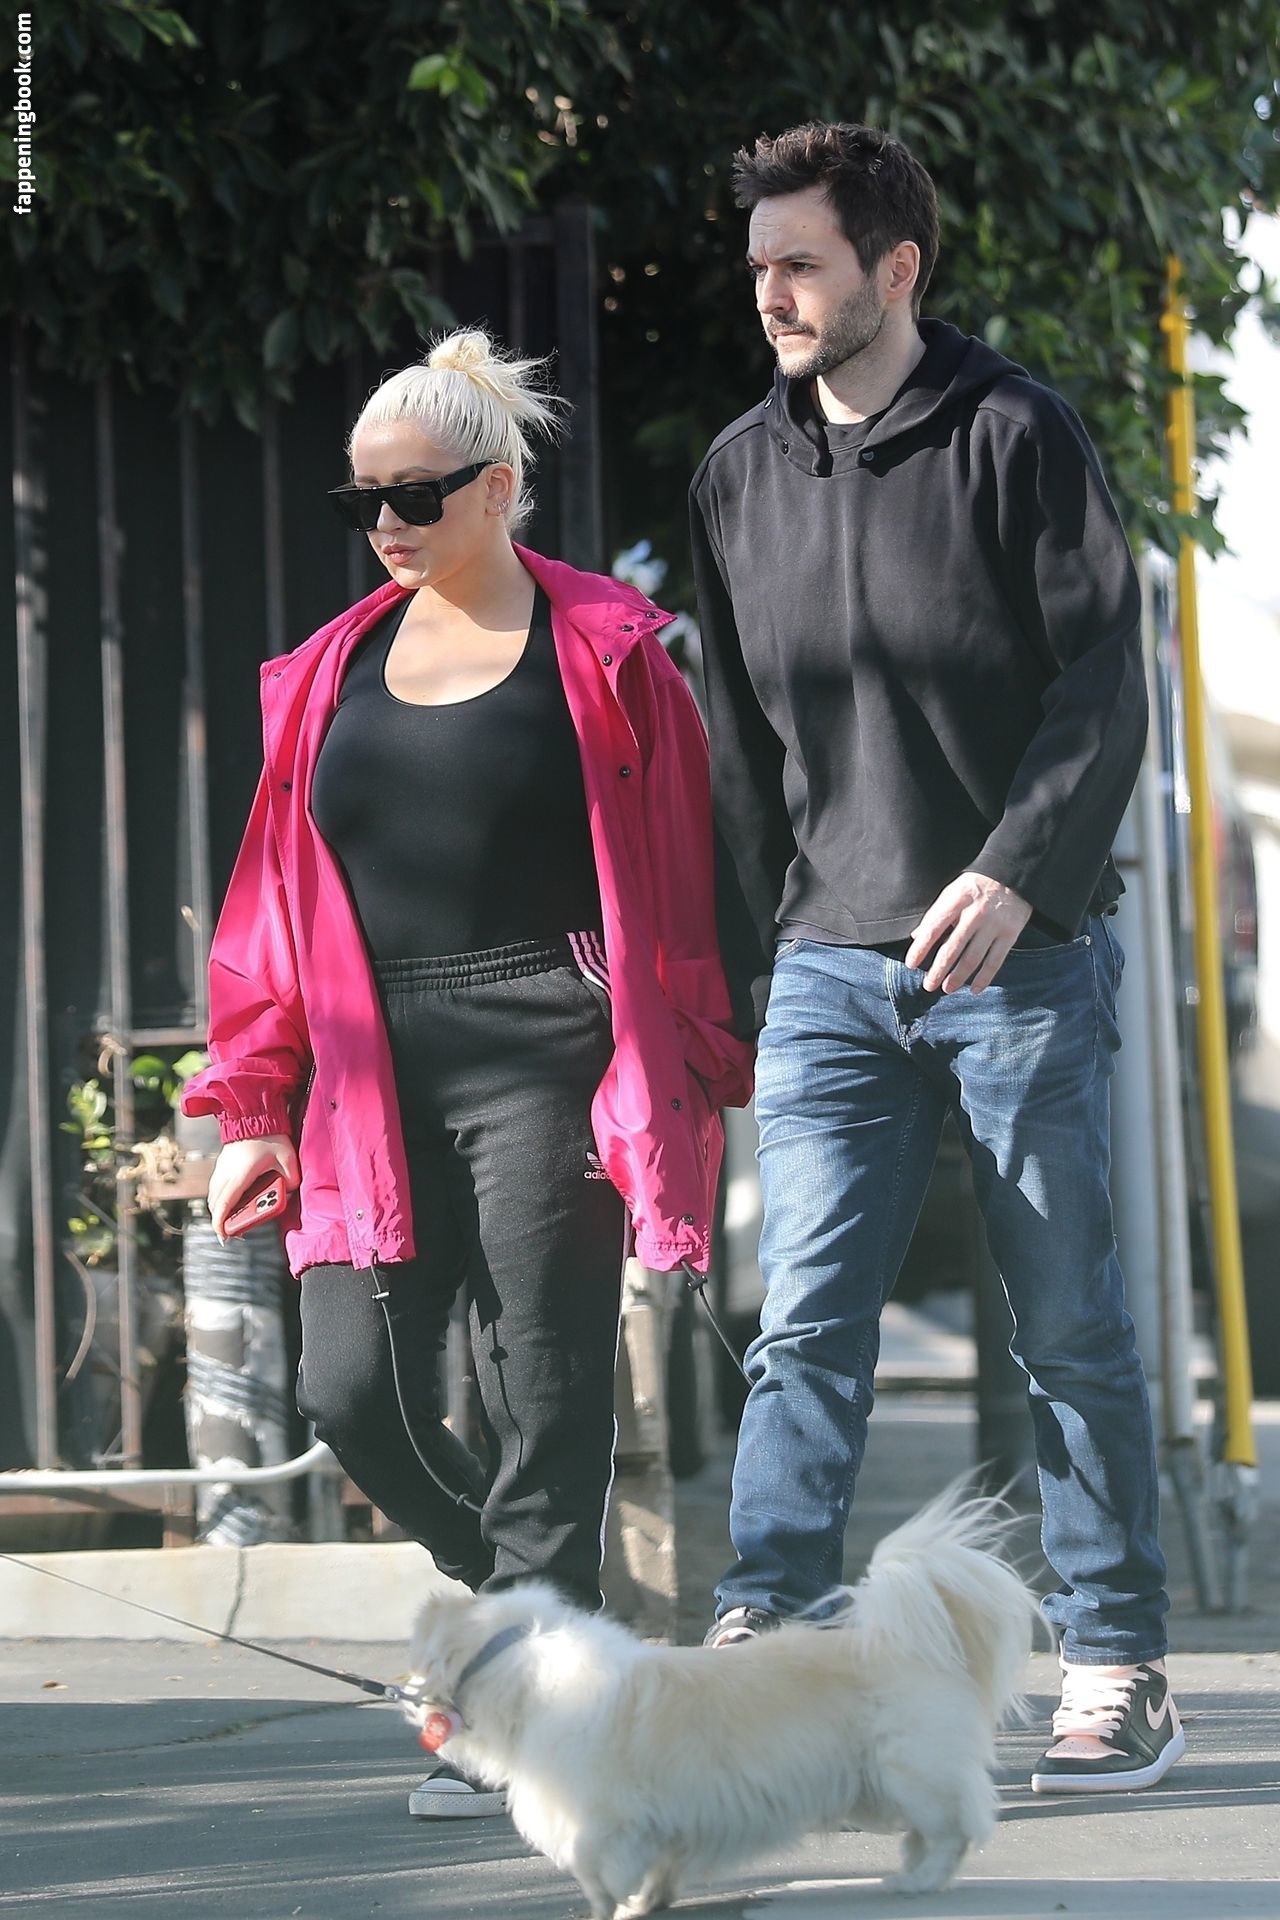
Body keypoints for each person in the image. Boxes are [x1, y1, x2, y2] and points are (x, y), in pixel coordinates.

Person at [181, 329, 752, 1817]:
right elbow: (271, 906)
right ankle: (512, 1593)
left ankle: (523, 1694)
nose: (386, 525)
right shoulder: (327, 672)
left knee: (544, 1386)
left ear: (499, 490)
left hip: (549, 1039)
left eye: (417, 496)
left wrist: (700, 1053)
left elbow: (689, 867)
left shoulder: (611, 653)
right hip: (366, 1064)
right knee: (347, 1389)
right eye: (363, 500)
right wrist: (255, 1107)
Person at [689, 121, 1183, 1794]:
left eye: (803, 263)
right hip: (828, 972)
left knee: (1067, 1325)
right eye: (761, 265)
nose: (773, 292)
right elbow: (736, 747)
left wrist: (1016, 875)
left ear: (895, 269)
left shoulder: (1016, 433)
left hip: (1016, 967)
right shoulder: (737, 473)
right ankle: (772, 1630)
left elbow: (1104, 683)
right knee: (806, 1324)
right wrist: (753, 965)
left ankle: (1116, 1659)